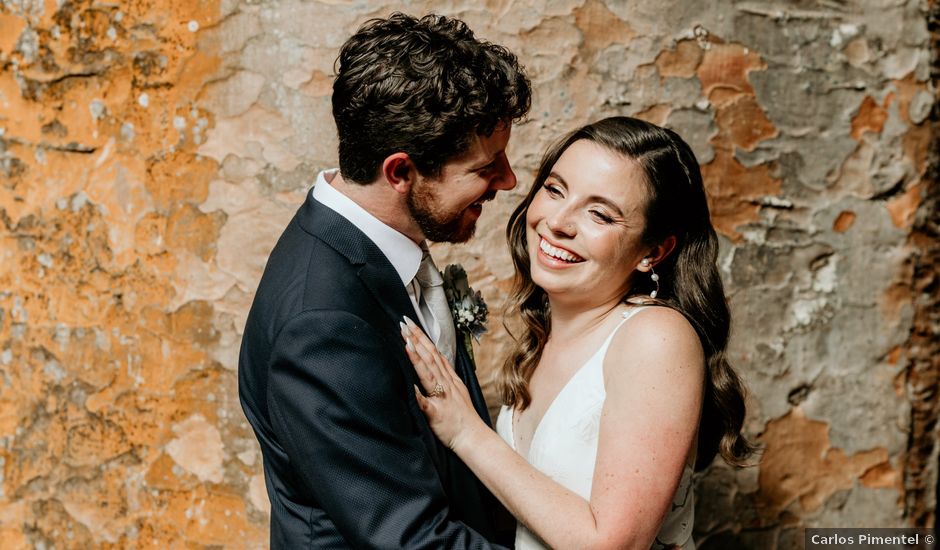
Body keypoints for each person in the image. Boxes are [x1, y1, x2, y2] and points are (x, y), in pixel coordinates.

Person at [238, 13, 531, 548]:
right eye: (486, 168)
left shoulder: (388, 241)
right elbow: (410, 537)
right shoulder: (321, 323)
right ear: (400, 173)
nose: (508, 181)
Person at [401, 116, 755, 549]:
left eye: (600, 214)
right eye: (554, 190)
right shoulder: (547, 336)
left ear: (652, 252)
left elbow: (612, 545)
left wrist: (466, 433)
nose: (559, 222)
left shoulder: (656, 338)